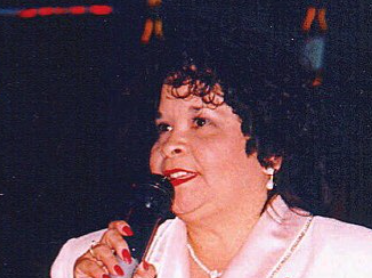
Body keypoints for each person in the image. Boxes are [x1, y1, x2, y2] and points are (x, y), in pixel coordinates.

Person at [51, 36, 372, 278]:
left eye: (201, 122)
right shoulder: (85, 262)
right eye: (164, 127)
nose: (170, 144)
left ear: (271, 153)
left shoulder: (353, 260)